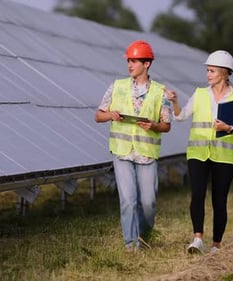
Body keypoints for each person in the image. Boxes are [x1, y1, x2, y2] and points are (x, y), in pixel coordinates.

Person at [166, 50, 233, 254]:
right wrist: (174, 102)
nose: (208, 75)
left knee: (219, 200)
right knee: (197, 194)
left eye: (212, 71)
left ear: (224, 73)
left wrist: (229, 128)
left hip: (224, 155)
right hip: (198, 152)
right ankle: (197, 239)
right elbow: (181, 116)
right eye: (208, 71)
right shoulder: (200, 93)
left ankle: (216, 245)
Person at [95, 40, 172, 252]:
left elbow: (166, 125)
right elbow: (98, 116)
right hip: (121, 151)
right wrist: (110, 115)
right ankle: (131, 245)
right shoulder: (116, 86)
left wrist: (154, 125)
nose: (130, 64)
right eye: (129, 60)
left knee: (148, 203)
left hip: (146, 154)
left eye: (135, 61)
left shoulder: (160, 92)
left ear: (147, 64)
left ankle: (145, 235)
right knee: (128, 200)